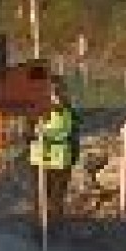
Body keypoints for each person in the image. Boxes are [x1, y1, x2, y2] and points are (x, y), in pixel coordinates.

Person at [28, 78, 79, 227]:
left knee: (56, 200)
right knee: (40, 199)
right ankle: (38, 230)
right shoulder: (35, 111)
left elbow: (71, 135)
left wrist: (73, 158)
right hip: (40, 161)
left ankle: (54, 231)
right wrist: (34, 134)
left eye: (56, 92)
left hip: (60, 162)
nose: (53, 96)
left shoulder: (68, 113)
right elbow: (27, 134)